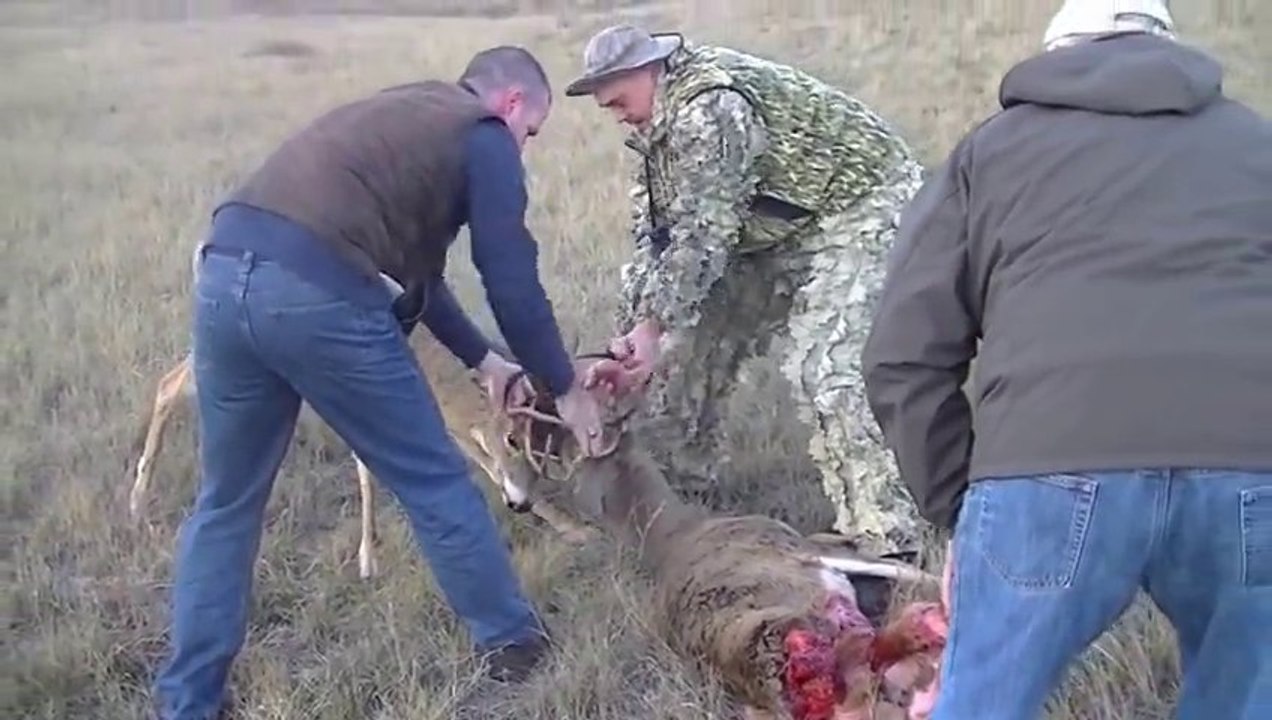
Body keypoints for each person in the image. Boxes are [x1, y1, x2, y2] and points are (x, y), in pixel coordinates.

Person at [153, 46, 608, 719]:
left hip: (221, 276)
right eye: (532, 132)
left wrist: (485, 362)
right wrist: (563, 386)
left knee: (225, 504)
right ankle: (514, 646)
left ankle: (185, 702)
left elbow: (420, 281)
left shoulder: (411, 115)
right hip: (315, 293)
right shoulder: (484, 136)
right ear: (512, 104)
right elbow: (508, 271)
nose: (524, 148)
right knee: (433, 479)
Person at [861, 1, 1272, 717]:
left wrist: (960, 506)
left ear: (1059, 53)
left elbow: (902, 354)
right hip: (1250, 470)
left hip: (1045, 470)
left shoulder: (989, 153)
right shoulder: (1255, 144)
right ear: (1165, 43)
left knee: (983, 704)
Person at [566, 24, 927, 557]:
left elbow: (705, 232)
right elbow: (659, 233)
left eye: (619, 100)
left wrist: (651, 326)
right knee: (682, 349)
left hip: (861, 203)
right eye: (607, 108)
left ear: (647, 71)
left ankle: (888, 538)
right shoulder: (655, 126)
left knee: (826, 366)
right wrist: (630, 341)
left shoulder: (710, 109)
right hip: (770, 221)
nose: (617, 115)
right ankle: (675, 495)